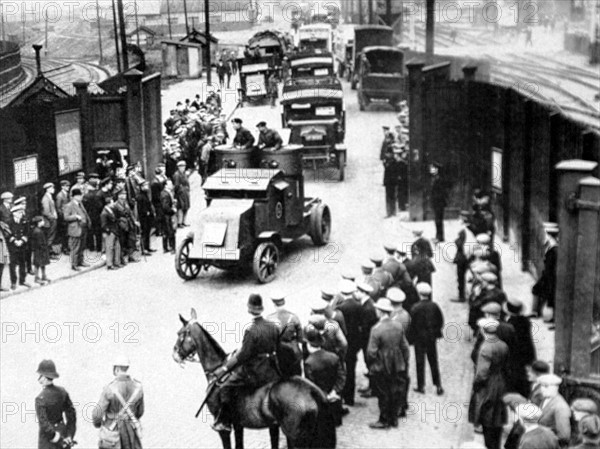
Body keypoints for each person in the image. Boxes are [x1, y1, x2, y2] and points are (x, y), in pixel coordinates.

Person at [212, 294, 281, 432]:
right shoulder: (273, 326)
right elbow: (277, 347)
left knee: (225, 386)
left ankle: (224, 421)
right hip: (272, 371)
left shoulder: (251, 330)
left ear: (250, 309)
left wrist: (225, 368)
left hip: (256, 373)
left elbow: (243, 356)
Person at [367, 298, 410, 429]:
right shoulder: (398, 326)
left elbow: (371, 352)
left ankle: (384, 419)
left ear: (380, 311)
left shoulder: (376, 329)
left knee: (383, 393)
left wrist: (372, 365)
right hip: (397, 363)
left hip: (381, 365)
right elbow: (405, 346)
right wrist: (404, 361)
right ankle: (394, 418)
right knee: (394, 391)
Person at [468, 318, 509, 449]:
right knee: (497, 415)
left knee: (486, 415)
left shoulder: (485, 348)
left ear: (482, 330)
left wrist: (476, 385)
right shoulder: (503, 344)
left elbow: (481, 373)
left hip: (488, 385)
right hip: (500, 382)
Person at [92, 356, 144, 449]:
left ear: (117, 368)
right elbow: (140, 412)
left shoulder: (109, 389)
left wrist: (98, 424)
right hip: (130, 434)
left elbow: (97, 415)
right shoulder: (138, 388)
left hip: (112, 435)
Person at [304, 325, 346, 431]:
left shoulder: (309, 362)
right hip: (334, 399)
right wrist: (335, 391)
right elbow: (341, 376)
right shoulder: (333, 357)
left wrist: (325, 396)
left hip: (320, 402)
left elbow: (311, 385)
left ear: (309, 345)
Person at [409, 282, 444, 395]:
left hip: (419, 339)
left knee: (420, 362)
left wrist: (411, 338)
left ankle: (421, 386)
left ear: (419, 294)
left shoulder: (415, 308)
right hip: (431, 338)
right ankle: (438, 385)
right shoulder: (434, 306)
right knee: (433, 361)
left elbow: (411, 325)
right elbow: (440, 321)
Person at [35, 360, 77, 449]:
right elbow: (71, 415)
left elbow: (44, 424)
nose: (39, 379)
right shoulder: (62, 392)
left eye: (40, 376)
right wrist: (69, 435)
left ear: (45, 377)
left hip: (47, 440)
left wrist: (58, 439)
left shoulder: (40, 398)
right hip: (63, 433)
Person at [504, 298, 536, 397]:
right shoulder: (525, 321)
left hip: (514, 354)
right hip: (526, 352)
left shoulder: (509, 324)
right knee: (524, 375)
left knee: (514, 375)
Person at [266, 291, 303, 377]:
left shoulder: (269, 319)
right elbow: (300, 338)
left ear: (274, 304)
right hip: (293, 352)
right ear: (284, 303)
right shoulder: (293, 317)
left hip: (278, 354)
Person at [532, 223, 558, 322]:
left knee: (553, 297)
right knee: (537, 289)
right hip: (547, 275)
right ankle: (536, 311)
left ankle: (554, 319)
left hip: (551, 277)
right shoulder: (551, 246)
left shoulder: (554, 248)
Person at [537, 373, 571, 446]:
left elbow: (564, 436)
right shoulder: (545, 399)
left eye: (546, 386)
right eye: (541, 386)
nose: (542, 389)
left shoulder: (560, 406)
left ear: (555, 387)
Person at [63, 188, 91, 271]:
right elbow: (66, 217)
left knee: (82, 246)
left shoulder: (80, 203)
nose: (81, 197)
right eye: (79, 195)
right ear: (75, 196)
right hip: (75, 229)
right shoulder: (69, 205)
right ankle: (74, 264)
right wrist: (75, 216)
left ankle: (81, 261)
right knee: (75, 247)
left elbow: (85, 213)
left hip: (83, 228)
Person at [452, 211, 472, 302]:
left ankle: (461, 296)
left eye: (460, 218)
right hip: (467, 256)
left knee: (460, 277)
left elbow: (460, 244)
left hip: (462, 257)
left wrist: (456, 240)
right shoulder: (470, 229)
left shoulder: (463, 231)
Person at [101, 197, 122, 270]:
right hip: (110, 232)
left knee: (117, 247)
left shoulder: (110, 210)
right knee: (109, 248)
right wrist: (109, 231)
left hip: (114, 231)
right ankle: (109, 264)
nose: (113, 204)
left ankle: (117, 262)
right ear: (108, 204)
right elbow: (104, 225)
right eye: (112, 202)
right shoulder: (104, 213)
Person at [83, 178, 103, 253]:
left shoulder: (86, 195)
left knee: (90, 231)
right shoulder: (99, 194)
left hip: (90, 215)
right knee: (98, 232)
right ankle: (99, 247)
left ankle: (91, 247)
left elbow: (84, 206)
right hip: (98, 215)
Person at [382, 148, 403, 218]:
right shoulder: (388, 161)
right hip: (388, 182)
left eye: (388, 153)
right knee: (388, 197)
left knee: (392, 197)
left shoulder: (393, 161)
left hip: (392, 182)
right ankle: (389, 212)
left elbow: (392, 170)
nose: (386, 155)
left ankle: (392, 212)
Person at [430, 162, 447, 242]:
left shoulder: (439, 179)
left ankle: (440, 237)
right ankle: (438, 236)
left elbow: (441, 192)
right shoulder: (435, 178)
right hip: (436, 202)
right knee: (437, 220)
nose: (431, 169)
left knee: (438, 220)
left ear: (437, 169)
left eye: (432, 168)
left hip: (439, 202)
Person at [136, 181, 155, 255]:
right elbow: (139, 208)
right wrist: (146, 212)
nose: (147, 187)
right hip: (143, 218)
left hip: (148, 217)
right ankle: (144, 249)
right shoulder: (139, 196)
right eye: (145, 186)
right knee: (144, 233)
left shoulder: (145, 194)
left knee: (147, 233)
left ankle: (147, 247)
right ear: (141, 187)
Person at [40, 183, 59, 259]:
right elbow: (46, 212)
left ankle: (50, 251)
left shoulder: (49, 197)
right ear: (48, 189)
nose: (53, 189)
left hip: (51, 220)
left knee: (51, 236)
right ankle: (49, 254)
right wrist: (53, 218)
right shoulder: (45, 199)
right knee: (50, 237)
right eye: (52, 188)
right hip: (49, 221)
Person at [31, 216, 50, 285]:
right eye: (42, 221)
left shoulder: (38, 230)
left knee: (42, 263)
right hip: (39, 250)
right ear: (38, 223)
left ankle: (43, 276)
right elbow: (39, 243)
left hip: (40, 250)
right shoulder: (38, 231)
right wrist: (44, 248)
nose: (43, 222)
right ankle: (37, 278)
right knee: (37, 264)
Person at [160, 179, 177, 254]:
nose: (172, 185)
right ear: (166, 185)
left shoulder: (166, 193)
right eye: (170, 184)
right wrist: (173, 210)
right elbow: (165, 206)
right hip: (167, 216)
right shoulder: (165, 194)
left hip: (165, 215)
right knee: (171, 232)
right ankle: (172, 248)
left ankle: (165, 248)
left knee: (165, 232)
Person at [173, 161, 190, 228]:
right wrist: (179, 191)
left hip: (185, 193)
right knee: (180, 208)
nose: (183, 168)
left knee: (186, 207)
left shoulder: (184, 174)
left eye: (184, 166)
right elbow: (176, 185)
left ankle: (183, 222)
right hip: (180, 194)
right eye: (182, 166)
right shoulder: (177, 174)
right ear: (179, 167)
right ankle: (179, 223)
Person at [55, 181, 71, 255]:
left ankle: (66, 247)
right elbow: (58, 208)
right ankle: (64, 248)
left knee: (67, 233)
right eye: (66, 186)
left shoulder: (66, 194)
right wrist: (62, 216)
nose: (68, 187)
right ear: (62, 187)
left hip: (67, 215)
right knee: (64, 233)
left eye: (68, 186)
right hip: (63, 218)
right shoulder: (60, 196)